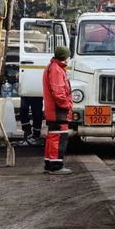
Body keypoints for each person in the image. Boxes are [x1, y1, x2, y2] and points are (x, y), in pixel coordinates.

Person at [43, 46, 73, 175]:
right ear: (65, 57)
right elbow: (59, 92)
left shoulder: (53, 67)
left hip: (53, 110)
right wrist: (67, 105)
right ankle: (56, 165)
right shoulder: (57, 70)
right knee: (59, 137)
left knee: (53, 136)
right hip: (58, 110)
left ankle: (50, 163)